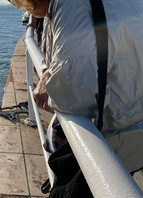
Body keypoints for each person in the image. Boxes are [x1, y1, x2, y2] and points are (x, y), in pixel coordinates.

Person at [8, 0, 143, 174]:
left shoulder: (71, 5)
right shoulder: (63, 5)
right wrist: (49, 70)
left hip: (117, 132)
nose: (24, 6)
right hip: (127, 115)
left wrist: (48, 89)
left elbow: (72, 96)